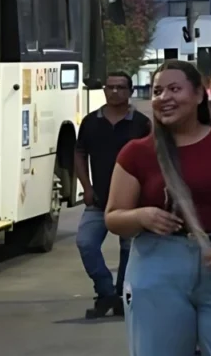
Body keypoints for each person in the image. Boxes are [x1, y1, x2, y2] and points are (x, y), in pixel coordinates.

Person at [106, 59, 211, 355]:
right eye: (157, 91)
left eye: (174, 89)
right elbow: (113, 217)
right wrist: (142, 216)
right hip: (158, 266)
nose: (164, 98)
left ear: (198, 95)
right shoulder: (136, 153)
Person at [74, 72, 151, 319]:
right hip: (99, 200)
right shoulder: (90, 122)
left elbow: (153, 157)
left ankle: (121, 296)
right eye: (110, 87)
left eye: (120, 87)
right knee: (86, 243)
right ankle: (105, 291)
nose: (115, 92)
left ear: (130, 91)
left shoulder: (140, 123)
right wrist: (86, 186)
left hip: (132, 202)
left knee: (129, 250)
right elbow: (79, 153)